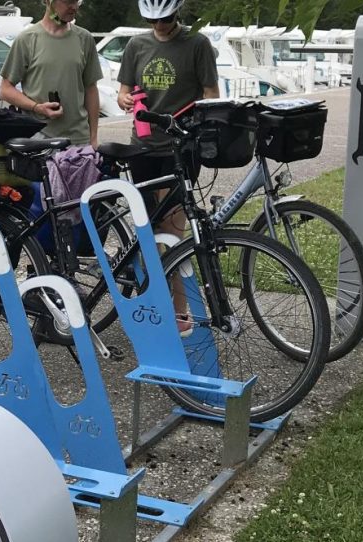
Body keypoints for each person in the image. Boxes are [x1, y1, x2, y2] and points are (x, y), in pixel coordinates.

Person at [116, 0, 219, 334]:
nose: (160, 26)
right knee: (148, 230)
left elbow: (210, 94)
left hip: (181, 146)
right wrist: (125, 99)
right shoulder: (136, 45)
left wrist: (203, 130)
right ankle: (152, 303)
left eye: (166, 19)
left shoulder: (197, 43)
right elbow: (123, 91)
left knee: (174, 230)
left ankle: (179, 309)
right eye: (153, 20)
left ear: (178, 13)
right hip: (143, 145)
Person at [0, 0, 103, 147]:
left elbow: (91, 90)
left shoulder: (84, 38)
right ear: (48, 1)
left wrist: (93, 138)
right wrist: (37, 107)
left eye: (77, 1)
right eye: (68, 1)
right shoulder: (27, 39)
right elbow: (5, 89)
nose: (74, 7)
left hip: (79, 141)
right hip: (39, 140)